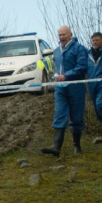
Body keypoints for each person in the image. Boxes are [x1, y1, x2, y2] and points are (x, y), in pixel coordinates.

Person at [42, 25, 89, 157]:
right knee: (59, 114)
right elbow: (57, 67)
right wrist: (56, 75)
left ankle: (77, 146)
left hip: (76, 87)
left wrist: (66, 75)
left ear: (70, 35)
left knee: (76, 116)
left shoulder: (79, 49)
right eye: (60, 35)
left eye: (64, 34)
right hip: (60, 88)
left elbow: (82, 66)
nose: (61, 37)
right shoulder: (57, 51)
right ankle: (56, 146)